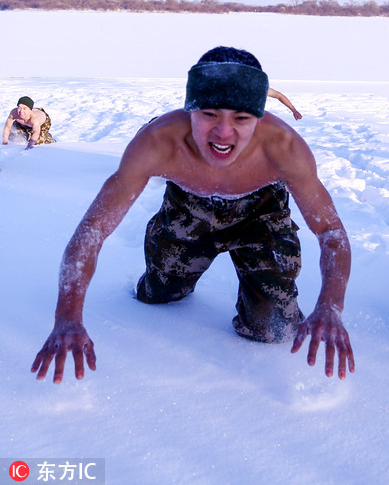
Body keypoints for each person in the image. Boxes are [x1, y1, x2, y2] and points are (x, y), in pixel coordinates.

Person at [31, 46, 354, 383]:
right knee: (158, 295)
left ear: (258, 116)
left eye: (241, 118)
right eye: (210, 114)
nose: (223, 133)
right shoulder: (158, 142)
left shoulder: (285, 149)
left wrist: (331, 306)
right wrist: (68, 315)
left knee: (273, 329)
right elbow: (94, 228)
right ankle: (164, 254)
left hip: (261, 214)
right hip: (188, 210)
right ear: (190, 110)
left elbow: (330, 229)